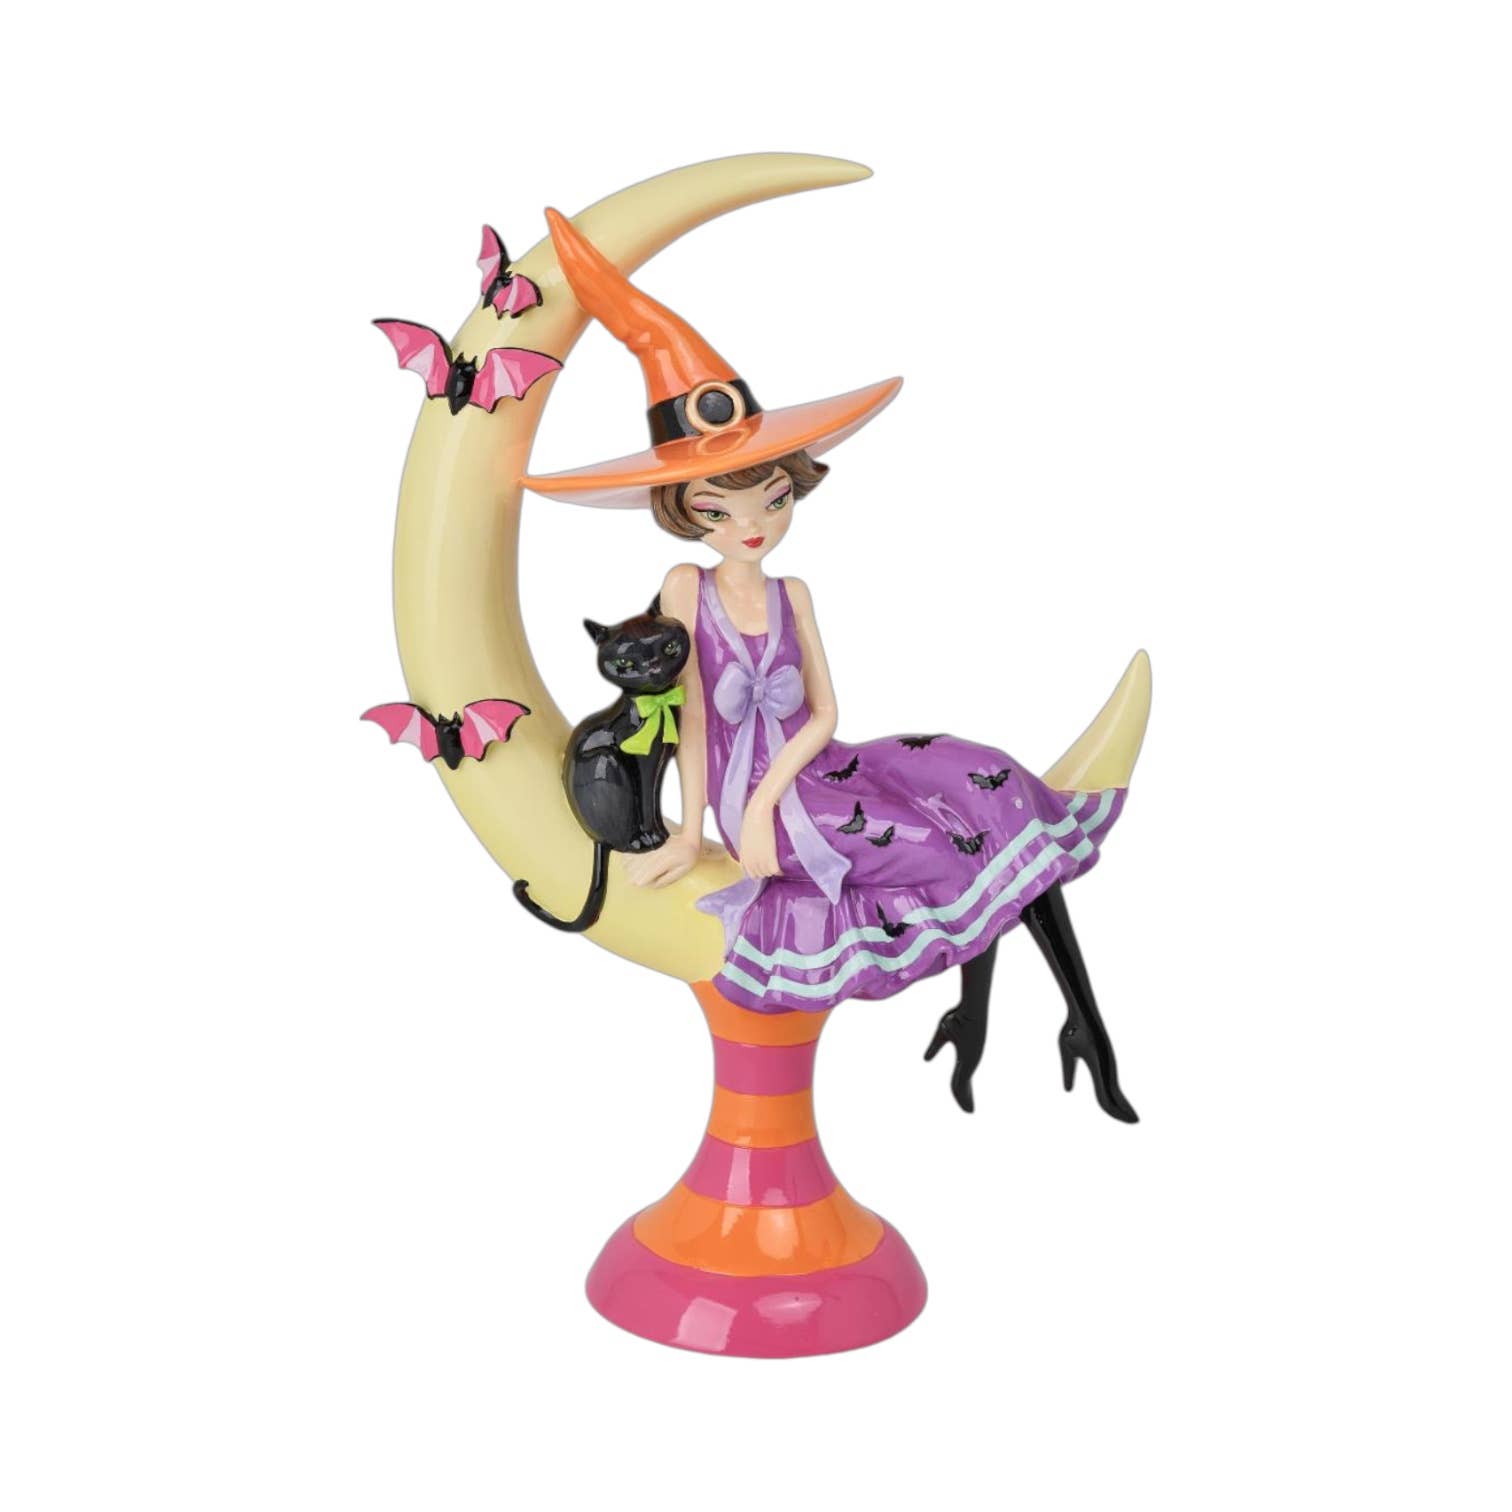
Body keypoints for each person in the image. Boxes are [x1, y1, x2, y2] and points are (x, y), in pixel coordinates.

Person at [522, 210, 1137, 1120]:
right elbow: (692, 721)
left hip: (810, 770)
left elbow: (822, 712)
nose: (752, 525)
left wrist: (773, 791)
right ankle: (1030, 1014)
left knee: (977, 778)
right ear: (685, 513)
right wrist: (696, 830)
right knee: (942, 847)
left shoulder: (793, 593)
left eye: (771, 499)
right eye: (720, 510)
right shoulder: (685, 587)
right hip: (758, 799)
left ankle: (1050, 1017)